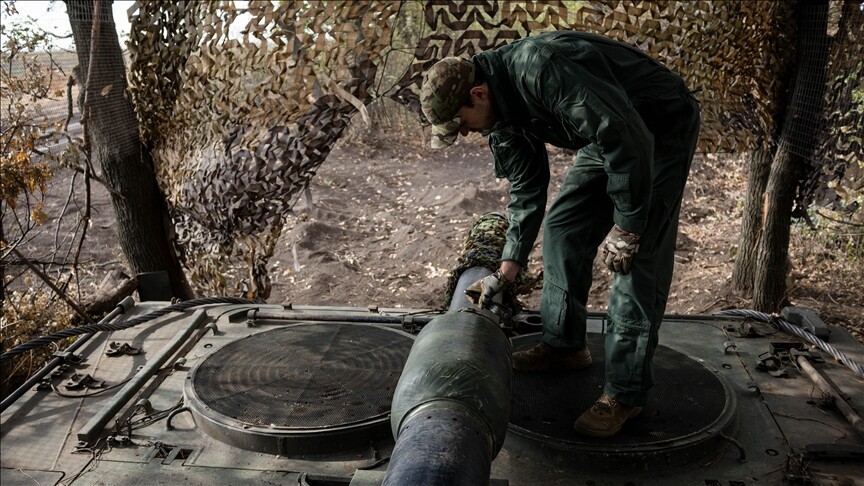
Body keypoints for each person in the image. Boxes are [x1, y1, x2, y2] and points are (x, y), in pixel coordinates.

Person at [421, 30, 700, 438]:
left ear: (477, 94)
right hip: (610, 133)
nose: (464, 132)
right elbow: (527, 184)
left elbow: (627, 136)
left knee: (635, 258)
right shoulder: (497, 113)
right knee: (563, 227)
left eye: (460, 122)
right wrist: (507, 270)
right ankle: (565, 346)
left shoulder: (542, 69)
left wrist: (628, 226)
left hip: (656, 127)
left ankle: (625, 392)